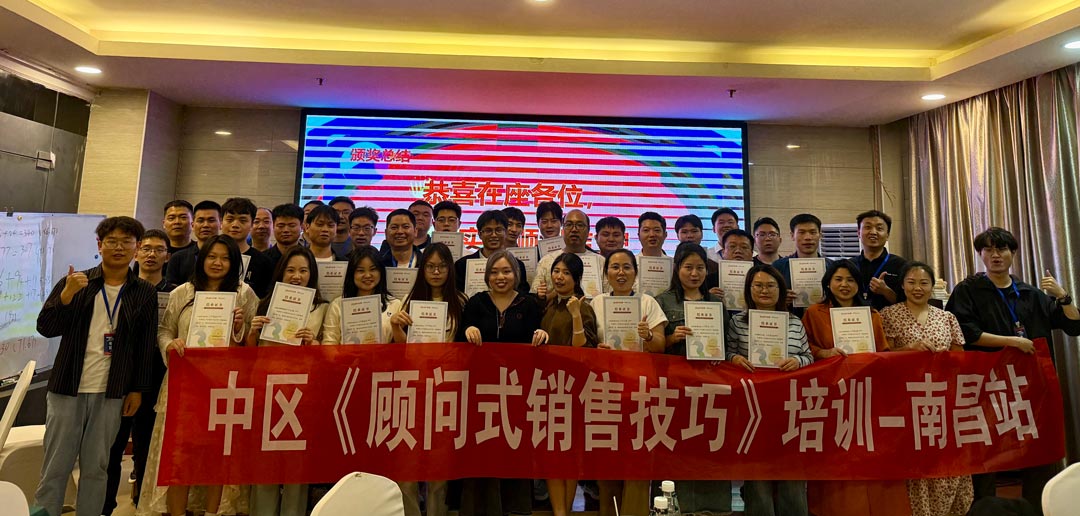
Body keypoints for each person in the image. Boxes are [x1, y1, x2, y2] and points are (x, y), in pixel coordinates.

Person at [946, 227, 1080, 511]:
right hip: (987, 385)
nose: (996, 255)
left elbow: (1073, 325)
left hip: (1029, 386)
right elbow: (965, 333)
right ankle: (983, 510)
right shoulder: (968, 289)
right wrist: (1012, 341)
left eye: (1002, 249)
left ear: (1013, 253)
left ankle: (1037, 508)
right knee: (985, 451)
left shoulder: (1030, 293)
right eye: (989, 249)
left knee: (1037, 449)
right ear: (980, 254)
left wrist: (1063, 296)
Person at [35, 216, 157, 516]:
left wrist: (138, 390)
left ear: (136, 248)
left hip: (111, 392)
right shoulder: (77, 282)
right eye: (112, 241)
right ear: (100, 245)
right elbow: (46, 327)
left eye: (126, 242)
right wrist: (66, 296)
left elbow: (144, 346)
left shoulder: (143, 291)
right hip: (67, 388)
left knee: (97, 467)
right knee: (55, 466)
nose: (119, 247)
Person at [138, 235, 259, 516]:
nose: (218, 263)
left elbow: (253, 341)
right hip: (185, 383)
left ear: (235, 263)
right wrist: (171, 344)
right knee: (180, 454)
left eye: (225, 258)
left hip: (224, 386)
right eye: (212, 256)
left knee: (217, 455)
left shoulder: (244, 294)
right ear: (202, 259)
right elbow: (164, 330)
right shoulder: (183, 292)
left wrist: (238, 329)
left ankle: (212, 512)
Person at [802, 259, 907, 516]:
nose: (844, 285)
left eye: (850, 280)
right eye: (838, 279)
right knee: (835, 452)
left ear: (859, 285)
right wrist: (824, 352)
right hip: (830, 394)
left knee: (866, 450)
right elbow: (805, 347)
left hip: (865, 395)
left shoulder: (871, 315)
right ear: (828, 283)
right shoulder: (814, 313)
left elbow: (883, 352)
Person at [459, 250, 548, 516]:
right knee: (482, 450)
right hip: (481, 394)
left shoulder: (529, 304)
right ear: (487, 276)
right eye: (495, 272)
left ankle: (516, 509)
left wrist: (542, 334)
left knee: (514, 447)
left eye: (507, 271)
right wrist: (467, 330)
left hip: (517, 393)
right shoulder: (476, 303)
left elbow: (540, 336)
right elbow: (459, 342)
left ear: (516, 275)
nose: (501, 277)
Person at [883, 262, 972, 516]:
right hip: (905, 402)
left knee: (946, 458)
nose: (917, 288)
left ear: (932, 287)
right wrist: (908, 350)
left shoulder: (947, 317)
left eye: (924, 283)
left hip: (942, 400)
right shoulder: (888, 314)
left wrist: (947, 359)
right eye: (911, 282)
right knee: (914, 460)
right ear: (902, 285)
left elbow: (961, 358)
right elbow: (882, 356)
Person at [246, 246, 328, 516]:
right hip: (267, 392)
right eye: (290, 270)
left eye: (303, 270)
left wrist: (313, 343)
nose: (297, 276)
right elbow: (248, 356)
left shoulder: (322, 308)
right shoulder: (265, 304)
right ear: (281, 273)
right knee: (265, 463)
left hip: (303, 395)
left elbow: (330, 355)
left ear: (312, 274)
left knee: (296, 466)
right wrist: (252, 332)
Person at [726, 264, 812, 516]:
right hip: (752, 410)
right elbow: (727, 352)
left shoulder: (795, 322)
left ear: (781, 290)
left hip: (788, 409)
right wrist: (734, 359)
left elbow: (809, 356)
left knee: (792, 476)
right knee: (757, 477)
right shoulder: (737, 322)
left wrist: (798, 361)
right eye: (758, 285)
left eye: (770, 286)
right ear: (749, 289)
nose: (764, 291)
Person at [102, 229, 177, 516]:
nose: (151, 254)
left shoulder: (177, 292)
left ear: (167, 256)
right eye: (146, 248)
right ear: (137, 253)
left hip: (158, 377)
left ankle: (143, 505)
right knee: (113, 445)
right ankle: (105, 506)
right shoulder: (122, 286)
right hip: (120, 375)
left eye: (159, 249)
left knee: (148, 446)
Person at [652, 243, 730, 513]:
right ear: (677, 269)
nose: (694, 273)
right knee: (675, 445)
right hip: (674, 388)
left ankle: (713, 508)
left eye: (700, 268)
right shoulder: (663, 301)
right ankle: (673, 506)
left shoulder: (716, 303)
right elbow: (654, 348)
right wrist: (672, 338)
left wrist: (720, 353)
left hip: (709, 388)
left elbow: (726, 343)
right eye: (688, 267)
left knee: (709, 447)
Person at [389, 243, 465, 516]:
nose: (436, 272)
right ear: (422, 270)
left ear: (450, 269)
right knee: (407, 470)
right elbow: (401, 351)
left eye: (442, 266)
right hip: (412, 392)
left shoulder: (461, 302)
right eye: (430, 266)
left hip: (445, 393)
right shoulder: (407, 302)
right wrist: (396, 326)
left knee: (438, 471)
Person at [589, 249, 666, 516]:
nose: (621, 273)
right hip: (606, 391)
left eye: (627, 267)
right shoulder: (596, 303)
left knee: (637, 464)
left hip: (640, 392)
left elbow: (660, 346)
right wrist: (597, 350)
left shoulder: (647, 302)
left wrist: (648, 337)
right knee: (607, 464)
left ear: (635, 272)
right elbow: (586, 345)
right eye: (615, 267)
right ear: (606, 273)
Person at [539, 252, 597, 516]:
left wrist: (575, 315)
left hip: (574, 391)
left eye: (566, 273)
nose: (559, 277)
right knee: (551, 454)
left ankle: (567, 509)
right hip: (547, 389)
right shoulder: (549, 305)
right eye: (556, 271)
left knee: (570, 454)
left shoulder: (582, 307)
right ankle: (559, 511)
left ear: (577, 278)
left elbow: (582, 348)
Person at [322, 245, 402, 345]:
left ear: (381, 271)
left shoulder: (395, 304)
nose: (367, 275)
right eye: (360, 270)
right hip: (346, 355)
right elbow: (329, 343)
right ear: (352, 273)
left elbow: (401, 346)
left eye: (373, 269)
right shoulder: (337, 305)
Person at [531, 209, 604, 299]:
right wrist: (540, 296)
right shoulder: (546, 261)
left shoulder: (601, 262)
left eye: (580, 225)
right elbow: (534, 296)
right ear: (563, 229)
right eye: (569, 225)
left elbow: (609, 296)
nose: (574, 230)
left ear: (588, 230)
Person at [773, 214, 835, 315]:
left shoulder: (833, 267)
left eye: (813, 232)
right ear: (792, 235)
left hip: (824, 320)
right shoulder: (778, 267)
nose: (808, 237)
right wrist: (779, 299)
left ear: (820, 235)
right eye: (801, 232)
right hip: (790, 320)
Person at [455, 210, 527, 293]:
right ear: (480, 234)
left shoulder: (518, 265)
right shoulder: (462, 265)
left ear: (505, 232)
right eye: (488, 231)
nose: (494, 235)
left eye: (498, 230)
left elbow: (522, 295)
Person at [851, 210, 906, 310]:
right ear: (858, 233)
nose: (873, 232)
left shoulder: (902, 265)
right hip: (854, 318)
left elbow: (909, 305)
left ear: (887, 235)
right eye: (868, 227)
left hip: (889, 319)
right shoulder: (849, 265)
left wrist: (886, 291)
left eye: (879, 228)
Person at [222, 197, 274, 297]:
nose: (235, 225)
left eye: (242, 220)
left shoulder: (264, 262)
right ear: (221, 222)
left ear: (251, 225)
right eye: (230, 219)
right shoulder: (208, 257)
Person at [166, 200, 222, 285]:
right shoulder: (178, 258)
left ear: (221, 224)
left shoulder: (229, 255)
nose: (205, 225)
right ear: (192, 225)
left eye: (211, 220)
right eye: (200, 221)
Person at [266, 203, 305, 270]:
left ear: (301, 227)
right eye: (281, 226)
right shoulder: (263, 258)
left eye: (292, 226)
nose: (286, 230)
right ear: (273, 226)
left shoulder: (308, 257)